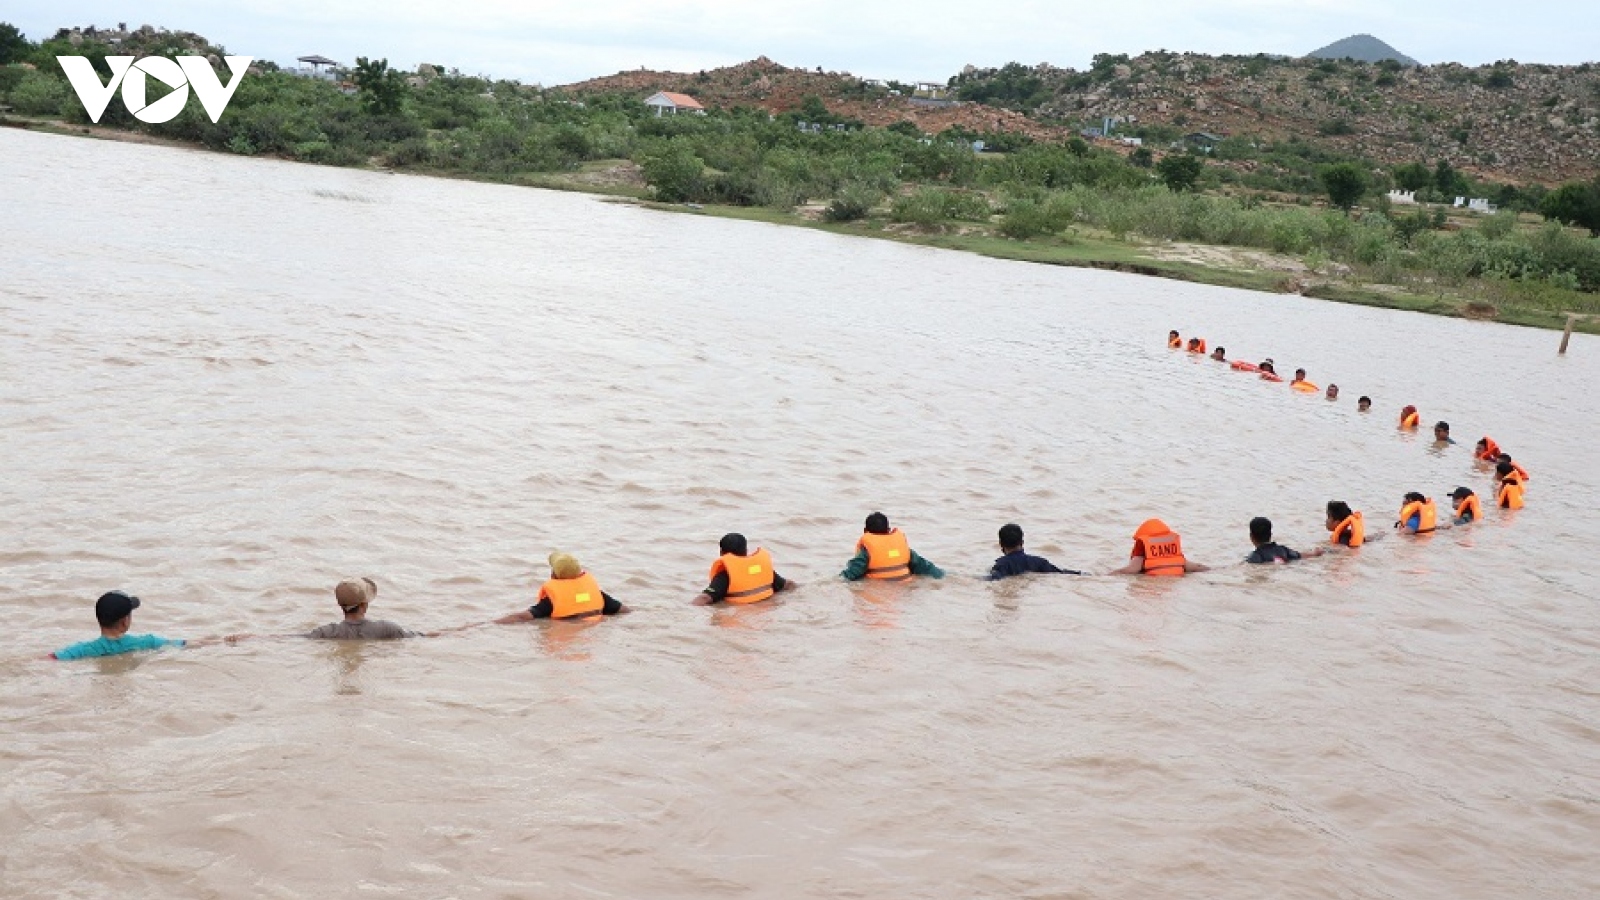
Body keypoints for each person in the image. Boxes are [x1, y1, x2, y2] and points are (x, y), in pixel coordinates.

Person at [51, 590, 189, 660]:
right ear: (125, 621)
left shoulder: (82, 650)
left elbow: (50, 659)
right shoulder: (147, 642)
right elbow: (182, 644)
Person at [496, 552, 628, 623]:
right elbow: (624, 610)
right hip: (593, 633)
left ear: (554, 575)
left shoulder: (552, 601)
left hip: (567, 634)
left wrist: (493, 623)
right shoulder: (596, 594)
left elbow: (522, 617)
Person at [695, 533, 795, 605]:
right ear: (746, 551)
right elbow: (788, 585)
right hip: (766, 614)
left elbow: (705, 598)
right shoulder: (759, 569)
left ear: (721, 553)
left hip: (738, 618)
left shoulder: (725, 576)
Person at [841, 512, 944, 581]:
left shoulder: (867, 551)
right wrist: (942, 574)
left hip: (879, 589)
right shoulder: (903, 549)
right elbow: (925, 567)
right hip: (903, 591)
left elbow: (853, 573)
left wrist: (838, 580)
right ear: (888, 530)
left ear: (865, 531)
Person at [307, 578, 421, 639]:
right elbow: (419, 636)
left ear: (340, 605)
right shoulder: (387, 629)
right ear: (364, 604)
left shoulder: (325, 632)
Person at [1109, 519, 1210, 576]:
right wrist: (1211, 569)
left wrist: (1110, 574)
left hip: (1153, 583)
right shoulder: (1175, 556)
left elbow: (1132, 570)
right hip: (1174, 585)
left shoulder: (1142, 552)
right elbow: (1195, 567)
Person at [988, 523, 1082, 579]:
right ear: (1022, 542)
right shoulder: (1039, 562)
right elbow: (1060, 573)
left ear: (1000, 544)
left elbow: (994, 580)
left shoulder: (1000, 565)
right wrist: (1081, 574)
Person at [1245, 517, 1323, 564]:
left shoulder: (1255, 556)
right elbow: (1300, 555)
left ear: (1251, 537)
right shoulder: (1283, 549)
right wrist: (1315, 553)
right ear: (1270, 535)